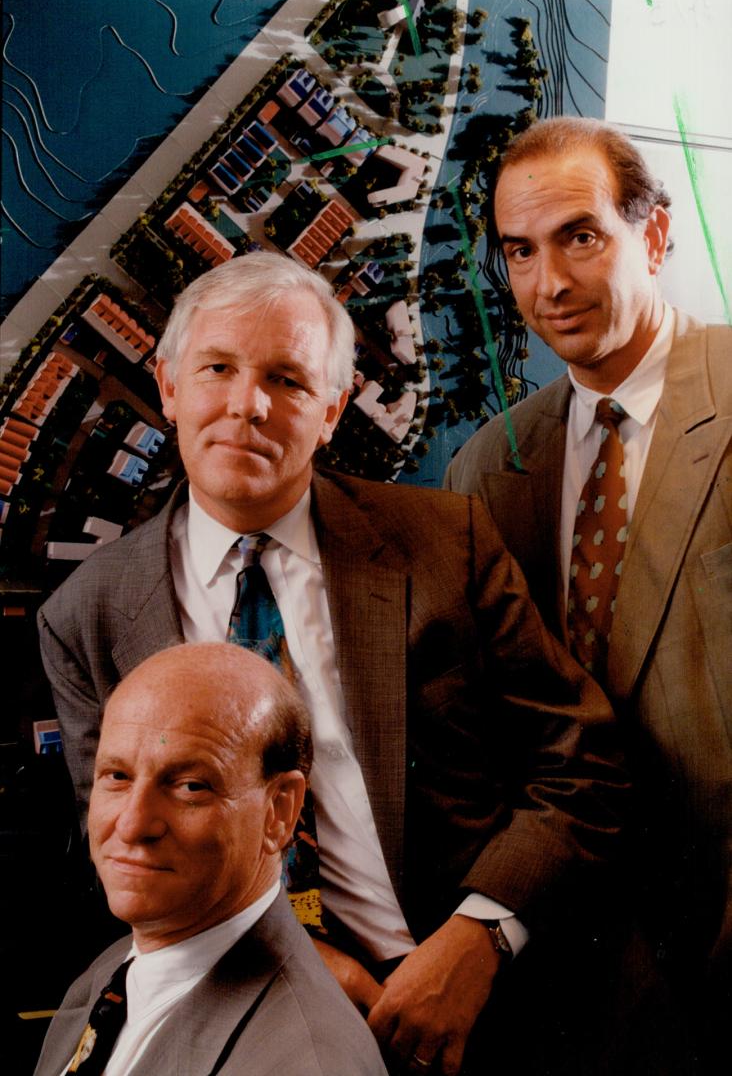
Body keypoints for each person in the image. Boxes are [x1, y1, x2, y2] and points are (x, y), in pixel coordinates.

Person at [39, 250, 628, 1076]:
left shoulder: (444, 545)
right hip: (245, 1018)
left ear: (332, 408)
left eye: (287, 379)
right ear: (169, 387)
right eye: (218, 369)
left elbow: (583, 765)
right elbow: (128, 852)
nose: (248, 406)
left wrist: (479, 939)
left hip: (482, 1001)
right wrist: (297, 958)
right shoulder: (89, 615)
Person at [446, 116, 731, 1072]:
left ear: (652, 236)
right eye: (519, 252)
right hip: (577, 972)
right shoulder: (489, 467)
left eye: (579, 236)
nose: (549, 285)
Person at [33, 642, 388, 1076]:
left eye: (190, 786)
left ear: (279, 812)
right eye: (117, 776)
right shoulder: (110, 974)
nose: (131, 824)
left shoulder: (310, 1063)